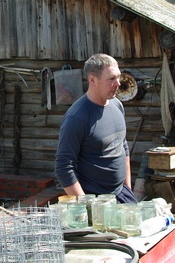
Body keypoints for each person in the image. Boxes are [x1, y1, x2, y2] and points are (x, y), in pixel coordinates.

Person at [54, 53, 136, 203]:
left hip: (122, 194)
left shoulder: (117, 105)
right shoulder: (77, 117)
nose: (118, 83)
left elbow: (123, 146)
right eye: (111, 79)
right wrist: (88, 206)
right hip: (97, 201)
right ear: (92, 80)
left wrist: (127, 188)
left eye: (118, 77)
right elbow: (63, 168)